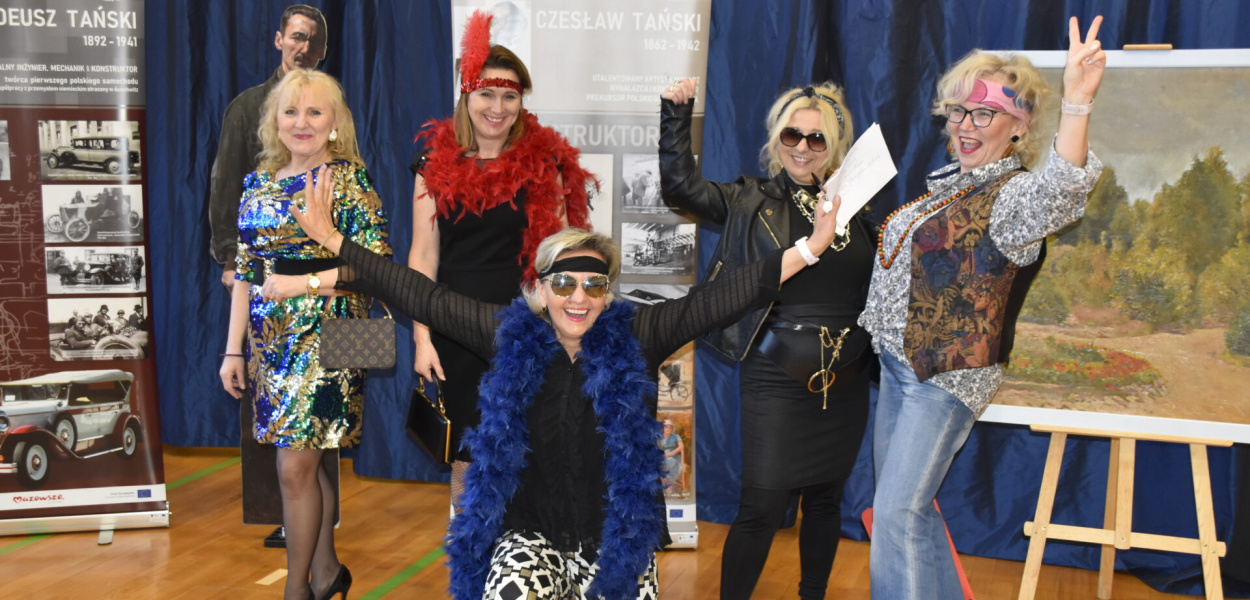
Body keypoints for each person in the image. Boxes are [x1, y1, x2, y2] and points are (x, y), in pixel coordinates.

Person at [287, 158, 842, 600]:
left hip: (615, 540)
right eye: (564, 283)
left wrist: (810, 248)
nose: (579, 298)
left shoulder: (640, 334)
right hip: (530, 532)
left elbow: (722, 297)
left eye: (594, 286)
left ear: (608, 292)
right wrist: (334, 242)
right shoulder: (506, 333)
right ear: (541, 288)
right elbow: (417, 293)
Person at [860, 17, 1106, 599]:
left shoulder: (1012, 196)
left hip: (945, 378)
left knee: (896, 513)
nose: (965, 126)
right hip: (898, 369)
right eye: (958, 111)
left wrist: (1076, 103)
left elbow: (1060, 193)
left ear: (1019, 126)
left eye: (984, 114)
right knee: (909, 511)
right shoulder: (951, 186)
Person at [659, 79, 876, 600]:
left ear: (835, 146)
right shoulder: (747, 199)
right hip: (777, 376)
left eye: (816, 139)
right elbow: (680, 187)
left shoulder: (857, 211)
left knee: (825, 499)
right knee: (761, 506)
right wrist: (676, 116)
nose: (802, 147)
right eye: (791, 135)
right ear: (776, 138)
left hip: (845, 381)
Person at [218, 69, 390, 600]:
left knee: (294, 466)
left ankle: (297, 591)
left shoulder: (349, 180)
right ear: (274, 120)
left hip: (331, 337)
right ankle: (328, 572)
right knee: (305, 462)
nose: (302, 122)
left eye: (315, 112)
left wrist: (303, 283)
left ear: (335, 122)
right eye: (291, 111)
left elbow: (376, 268)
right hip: (270, 344)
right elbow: (247, 272)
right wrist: (232, 350)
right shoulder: (259, 181)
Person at [407, 10, 592, 495]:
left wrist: (568, 328)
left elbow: (562, 256)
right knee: (468, 458)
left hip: (527, 326)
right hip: (455, 329)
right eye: (487, 93)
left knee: (532, 450)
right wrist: (422, 339)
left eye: (510, 96)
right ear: (466, 96)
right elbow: (422, 257)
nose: (498, 107)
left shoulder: (543, 164)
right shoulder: (432, 167)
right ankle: (470, 543)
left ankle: (524, 544)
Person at [209, 4, 328, 290]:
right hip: (261, 258)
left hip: (322, 256)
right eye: (297, 37)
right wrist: (231, 260)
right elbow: (226, 185)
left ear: (323, 51)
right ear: (279, 40)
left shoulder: (332, 108)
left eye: (314, 41)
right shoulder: (247, 108)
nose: (304, 48)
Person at [659, 420, 685, 495]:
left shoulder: (676, 436)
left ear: (672, 429)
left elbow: (681, 447)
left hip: (674, 455)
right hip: (663, 455)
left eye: (670, 427)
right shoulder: (659, 437)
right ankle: (665, 484)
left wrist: (670, 453)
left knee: (671, 462)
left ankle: (666, 483)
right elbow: (658, 448)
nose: (668, 429)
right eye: (666, 427)